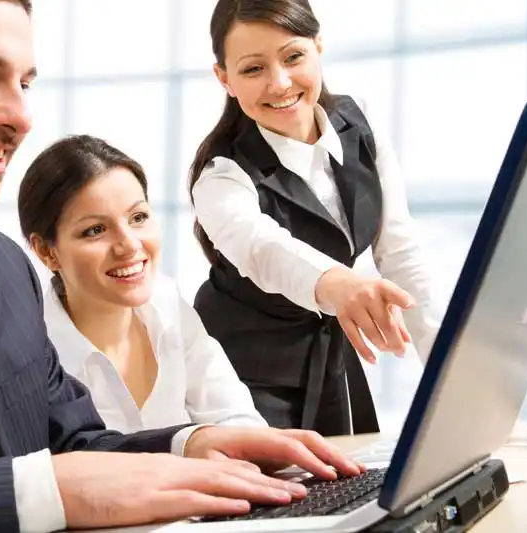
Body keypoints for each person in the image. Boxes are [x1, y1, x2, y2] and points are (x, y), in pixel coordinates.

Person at [0, 1, 367, 532]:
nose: (20, 115)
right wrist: (32, 492)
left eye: (25, 83)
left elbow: (71, 446)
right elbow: (48, 485)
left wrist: (196, 445)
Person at [188, 0, 440, 438]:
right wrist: (338, 284)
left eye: (293, 57)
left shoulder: (358, 124)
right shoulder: (221, 175)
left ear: (318, 47)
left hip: (328, 359)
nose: (279, 83)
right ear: (224, 79)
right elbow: (261, 248)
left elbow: (400, 253)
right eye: (253, 69)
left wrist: (448, 368)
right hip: (242, 372)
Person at [18, 134, 268, 434]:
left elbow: (238, 421)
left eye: (138, 217)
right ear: (47, 252)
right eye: (95, 230)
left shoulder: (166, 304)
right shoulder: (30, 357)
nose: (129, 245)